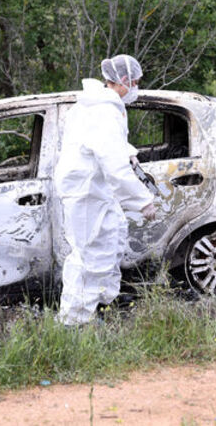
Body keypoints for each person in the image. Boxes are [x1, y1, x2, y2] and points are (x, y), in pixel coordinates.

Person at [54, 54, 157, 326]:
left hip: (95, 189)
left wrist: (128, 151)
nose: (136, 88)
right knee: (91, 256)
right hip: (87, 191)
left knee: (112, 241)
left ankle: (100, 305)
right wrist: (143, 201)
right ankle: (75, 322)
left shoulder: (95, 105)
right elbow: (114, 167)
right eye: (135, 82)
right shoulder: (104, 111)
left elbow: (101, 144)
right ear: (123, 80)